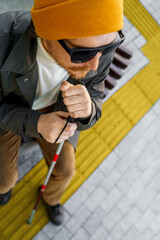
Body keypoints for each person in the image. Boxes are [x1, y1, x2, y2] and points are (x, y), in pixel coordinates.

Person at [0, 0, 124, 225]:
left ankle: (50, 198)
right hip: (9, 113)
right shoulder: (3, 40)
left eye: (106, 48)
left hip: (58, 111)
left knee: (66, 171)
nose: (95, 64)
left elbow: (95, 92)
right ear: (46, 31)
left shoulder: (98, 45)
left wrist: (88, 110)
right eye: (81, 54)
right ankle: (4, 189)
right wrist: (36, 123)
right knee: (4, 178)